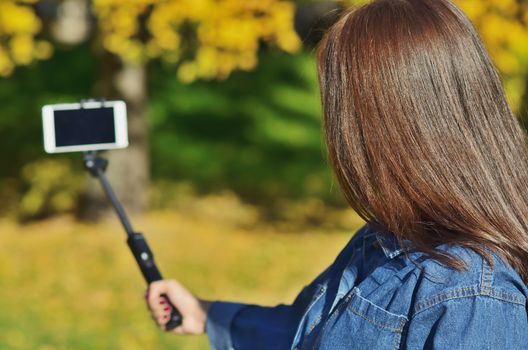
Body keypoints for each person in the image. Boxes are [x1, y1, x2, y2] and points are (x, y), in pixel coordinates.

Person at [146, 0, 528, 348]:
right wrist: (207, 314)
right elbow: (308, 333)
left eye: (343, 111)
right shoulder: (388, 237)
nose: (334, 132)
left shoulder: (473, 295)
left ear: (397, 127)